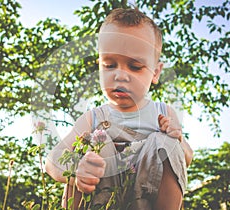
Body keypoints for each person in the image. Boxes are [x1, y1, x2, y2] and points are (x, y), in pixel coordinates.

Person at [45, 8, 193, 210]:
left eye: (134, 66)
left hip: (145, 201)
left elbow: (186, 158)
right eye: (110, 64)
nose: (120, 75)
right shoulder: (93, 118)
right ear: (100, 66)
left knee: (167, 142)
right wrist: (77, 170)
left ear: (156, 72)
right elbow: (52, 160)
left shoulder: (163, 113)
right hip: (99, 200)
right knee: (91, 141)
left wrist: (178, 139)